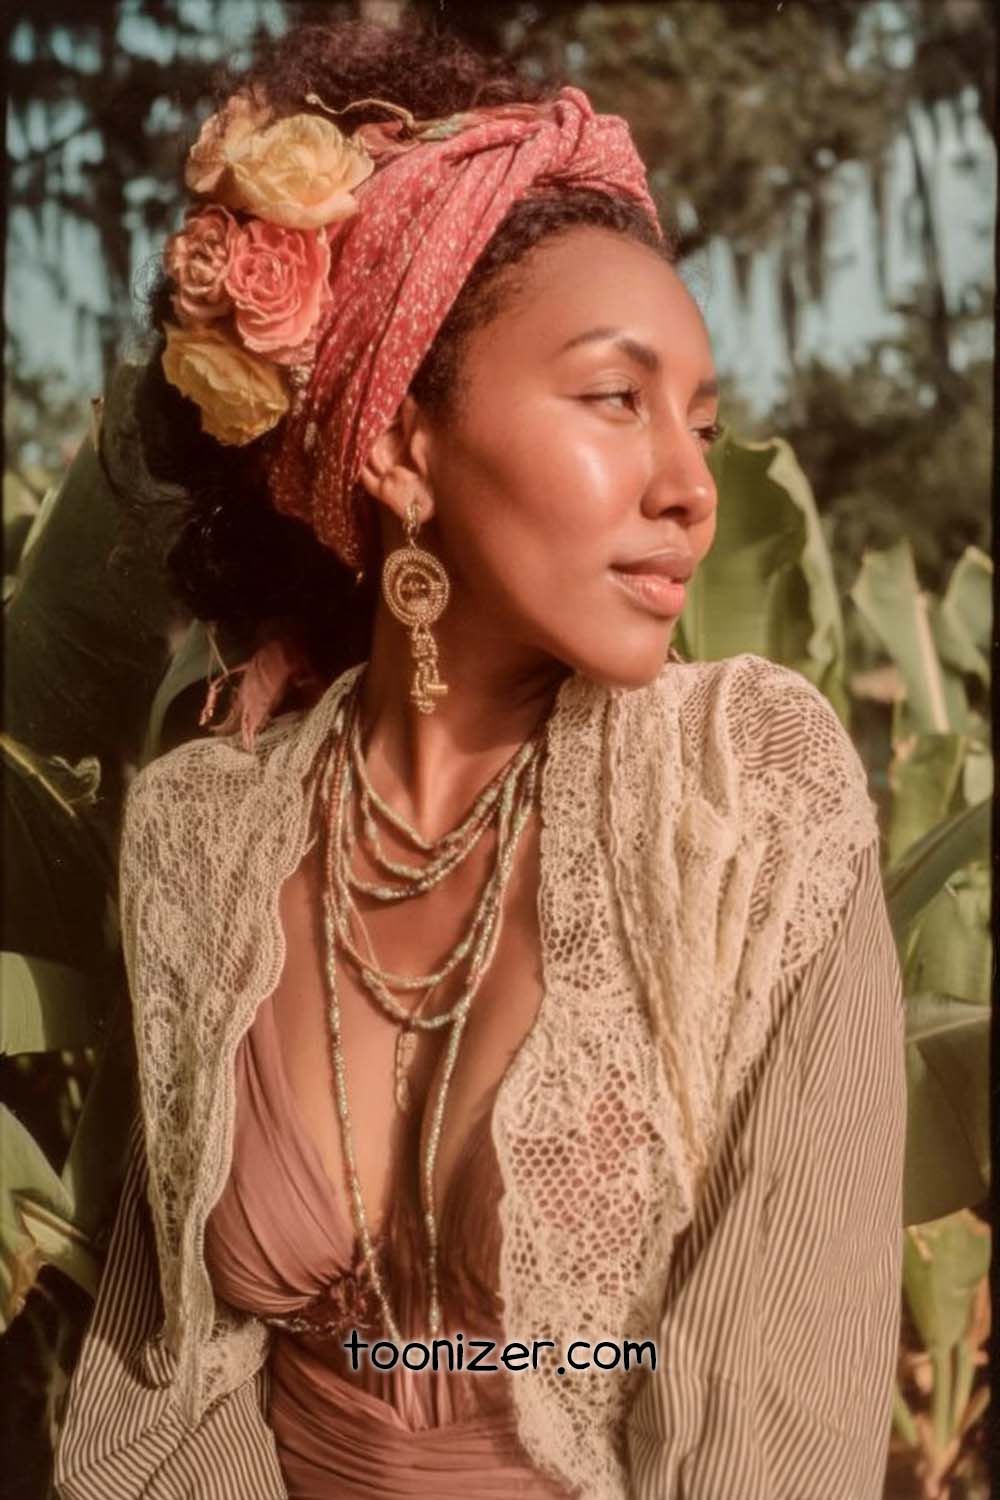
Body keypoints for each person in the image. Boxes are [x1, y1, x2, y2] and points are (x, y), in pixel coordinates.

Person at [54, 17, 907, 1500]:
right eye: (615, 398)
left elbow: (776, 1412)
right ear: (400, 448)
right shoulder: (207, 828)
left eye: (702, 424)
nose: (690, 486)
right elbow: (167, 1380)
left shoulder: (742, 794)